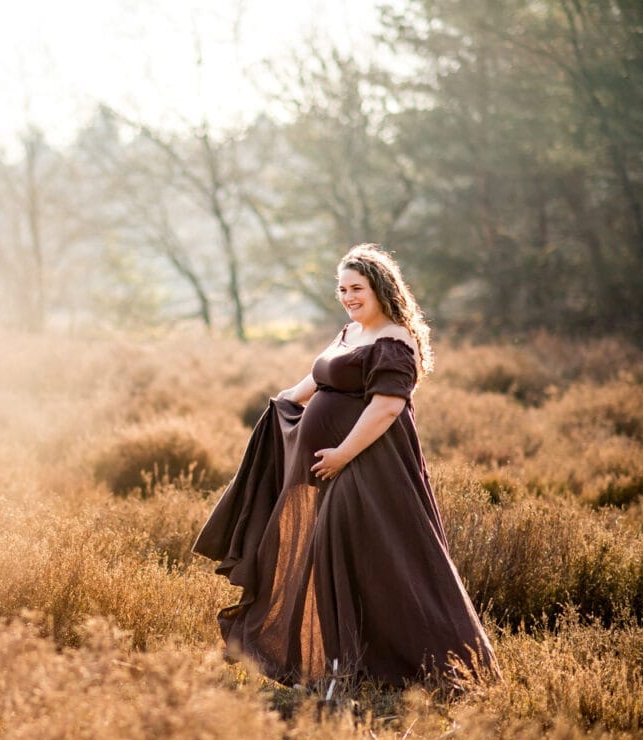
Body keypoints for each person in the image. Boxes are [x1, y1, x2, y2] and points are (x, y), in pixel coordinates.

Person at [193, 243, 499, 690]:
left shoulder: (395, 340)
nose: (348, 296)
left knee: (369, 561)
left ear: (381, 288)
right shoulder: (350, 333)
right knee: (325, 556)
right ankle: (332, 666)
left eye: (357, 288)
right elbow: (316, 380)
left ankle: (426, 668)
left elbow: (387, 409)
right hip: (332, 468)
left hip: (368, 469)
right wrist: (281, 407)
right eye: (341, 289)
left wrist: (341, 455)